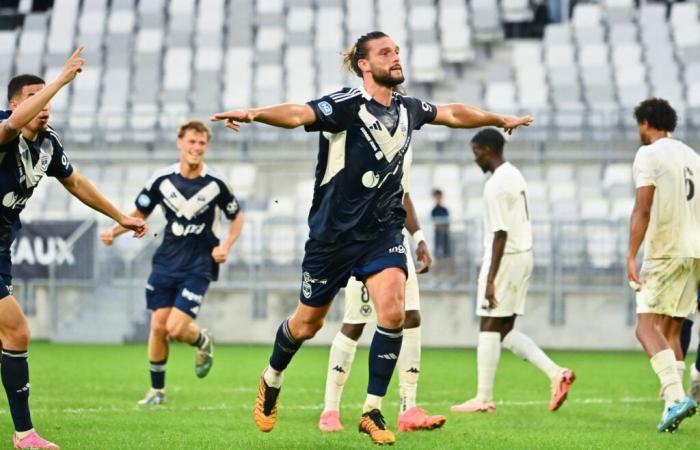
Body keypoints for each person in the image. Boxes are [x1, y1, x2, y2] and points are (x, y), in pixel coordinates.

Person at [211, 31, 532, 445]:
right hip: (332, 237)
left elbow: (452, 113)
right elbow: (297, 114)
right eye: (386, 53)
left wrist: (497, 118)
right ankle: (272, 377)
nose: (396, 58)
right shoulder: (346, 106)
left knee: (393, 312)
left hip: (381, 232)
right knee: (307, 323)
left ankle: (372, 409)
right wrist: (254, 113)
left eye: (397, 51)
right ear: (364, 64)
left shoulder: (408, 108)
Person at [0, 48, 147, 449]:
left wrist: (121, 215)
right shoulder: (3, 128)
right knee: (16, 330)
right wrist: (62, 79)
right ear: (15, 103)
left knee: (12, 333)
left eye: (47, 98)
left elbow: (77, 183)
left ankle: (23, 433)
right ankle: (24, 434)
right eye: (35, 98)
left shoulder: (48, 145)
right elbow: (11, 127)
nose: (45, 107)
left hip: (1, 247)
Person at [100, 120, 243, 405]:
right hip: (166, 261)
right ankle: (157, 392)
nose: (196, 148)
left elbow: (236, 216)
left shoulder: (216, 184)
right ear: (180, 143)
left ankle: (202, 340)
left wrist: (226, 245)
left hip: (199, 264)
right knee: (157, 327)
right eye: (191, 142)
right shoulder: (161, 180)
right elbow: (139, 212)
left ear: (206, 147)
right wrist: (115, 231)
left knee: (176, 329)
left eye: (201, 143)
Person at [319, 145, 446, 433]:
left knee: (411, 316)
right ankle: (330, 409)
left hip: (395, 244)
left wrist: (419, 238)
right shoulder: (358, 132)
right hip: (362, 245)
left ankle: (408, 407)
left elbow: (404, 195)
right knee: (355, 323)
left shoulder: (405, 139)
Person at [451, 129, 574, 415]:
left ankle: (483, 398)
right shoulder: (514, 174)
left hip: (506, 258)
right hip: (524, 256)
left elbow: (500, 233)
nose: (476, 159)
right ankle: (556, 374)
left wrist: (491, 279)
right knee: (504, 330)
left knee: (488, 324)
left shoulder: (495, 184)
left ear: (489, 149)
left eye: (477, 152)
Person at [627, 98, 700, 432]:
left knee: (645, 326)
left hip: (665, 249)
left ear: (645, 123)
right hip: (695, 252)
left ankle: (674, 398)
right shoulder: (693, 157)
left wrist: (631, 255)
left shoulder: (649, 154)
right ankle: (674, 403)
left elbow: (643, 207)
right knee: (671, 329)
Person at [430, 189, 454, 279]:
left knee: (449, 257)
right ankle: (435, 279)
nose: (438, 198)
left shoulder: (445, 210)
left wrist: (443, 226)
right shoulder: (434, 210)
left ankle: (452, 279)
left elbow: (447, 224)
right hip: (438, 237)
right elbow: (436, 224)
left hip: (446, 236)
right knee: (437, 258)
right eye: (436, 196)